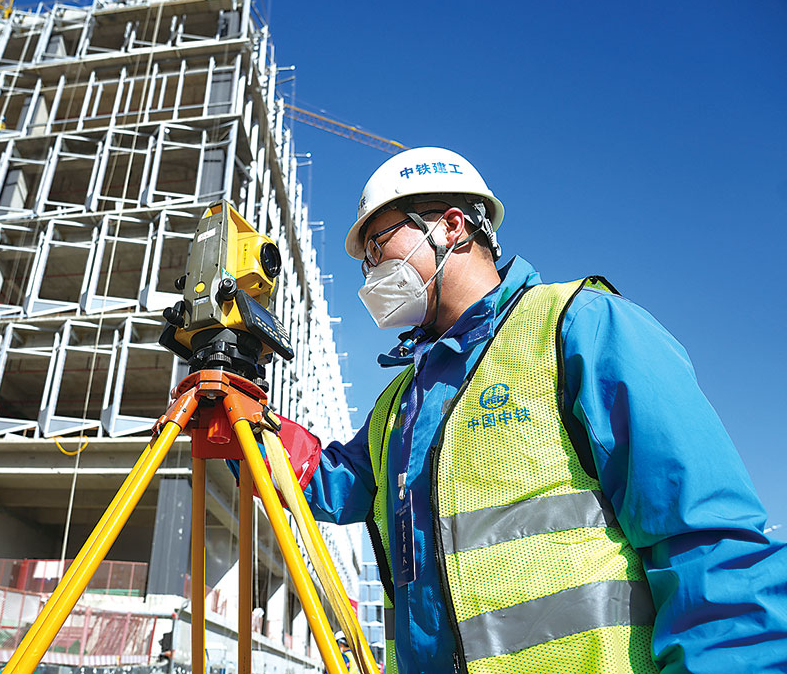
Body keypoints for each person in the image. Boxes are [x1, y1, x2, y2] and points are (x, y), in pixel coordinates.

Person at [269, 147, 787, 673]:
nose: (371, 272)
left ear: (451, 226)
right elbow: (327, 480)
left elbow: (704, 538)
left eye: (379, 244)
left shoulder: (581, 326)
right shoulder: (402, 401)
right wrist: (242, 419)